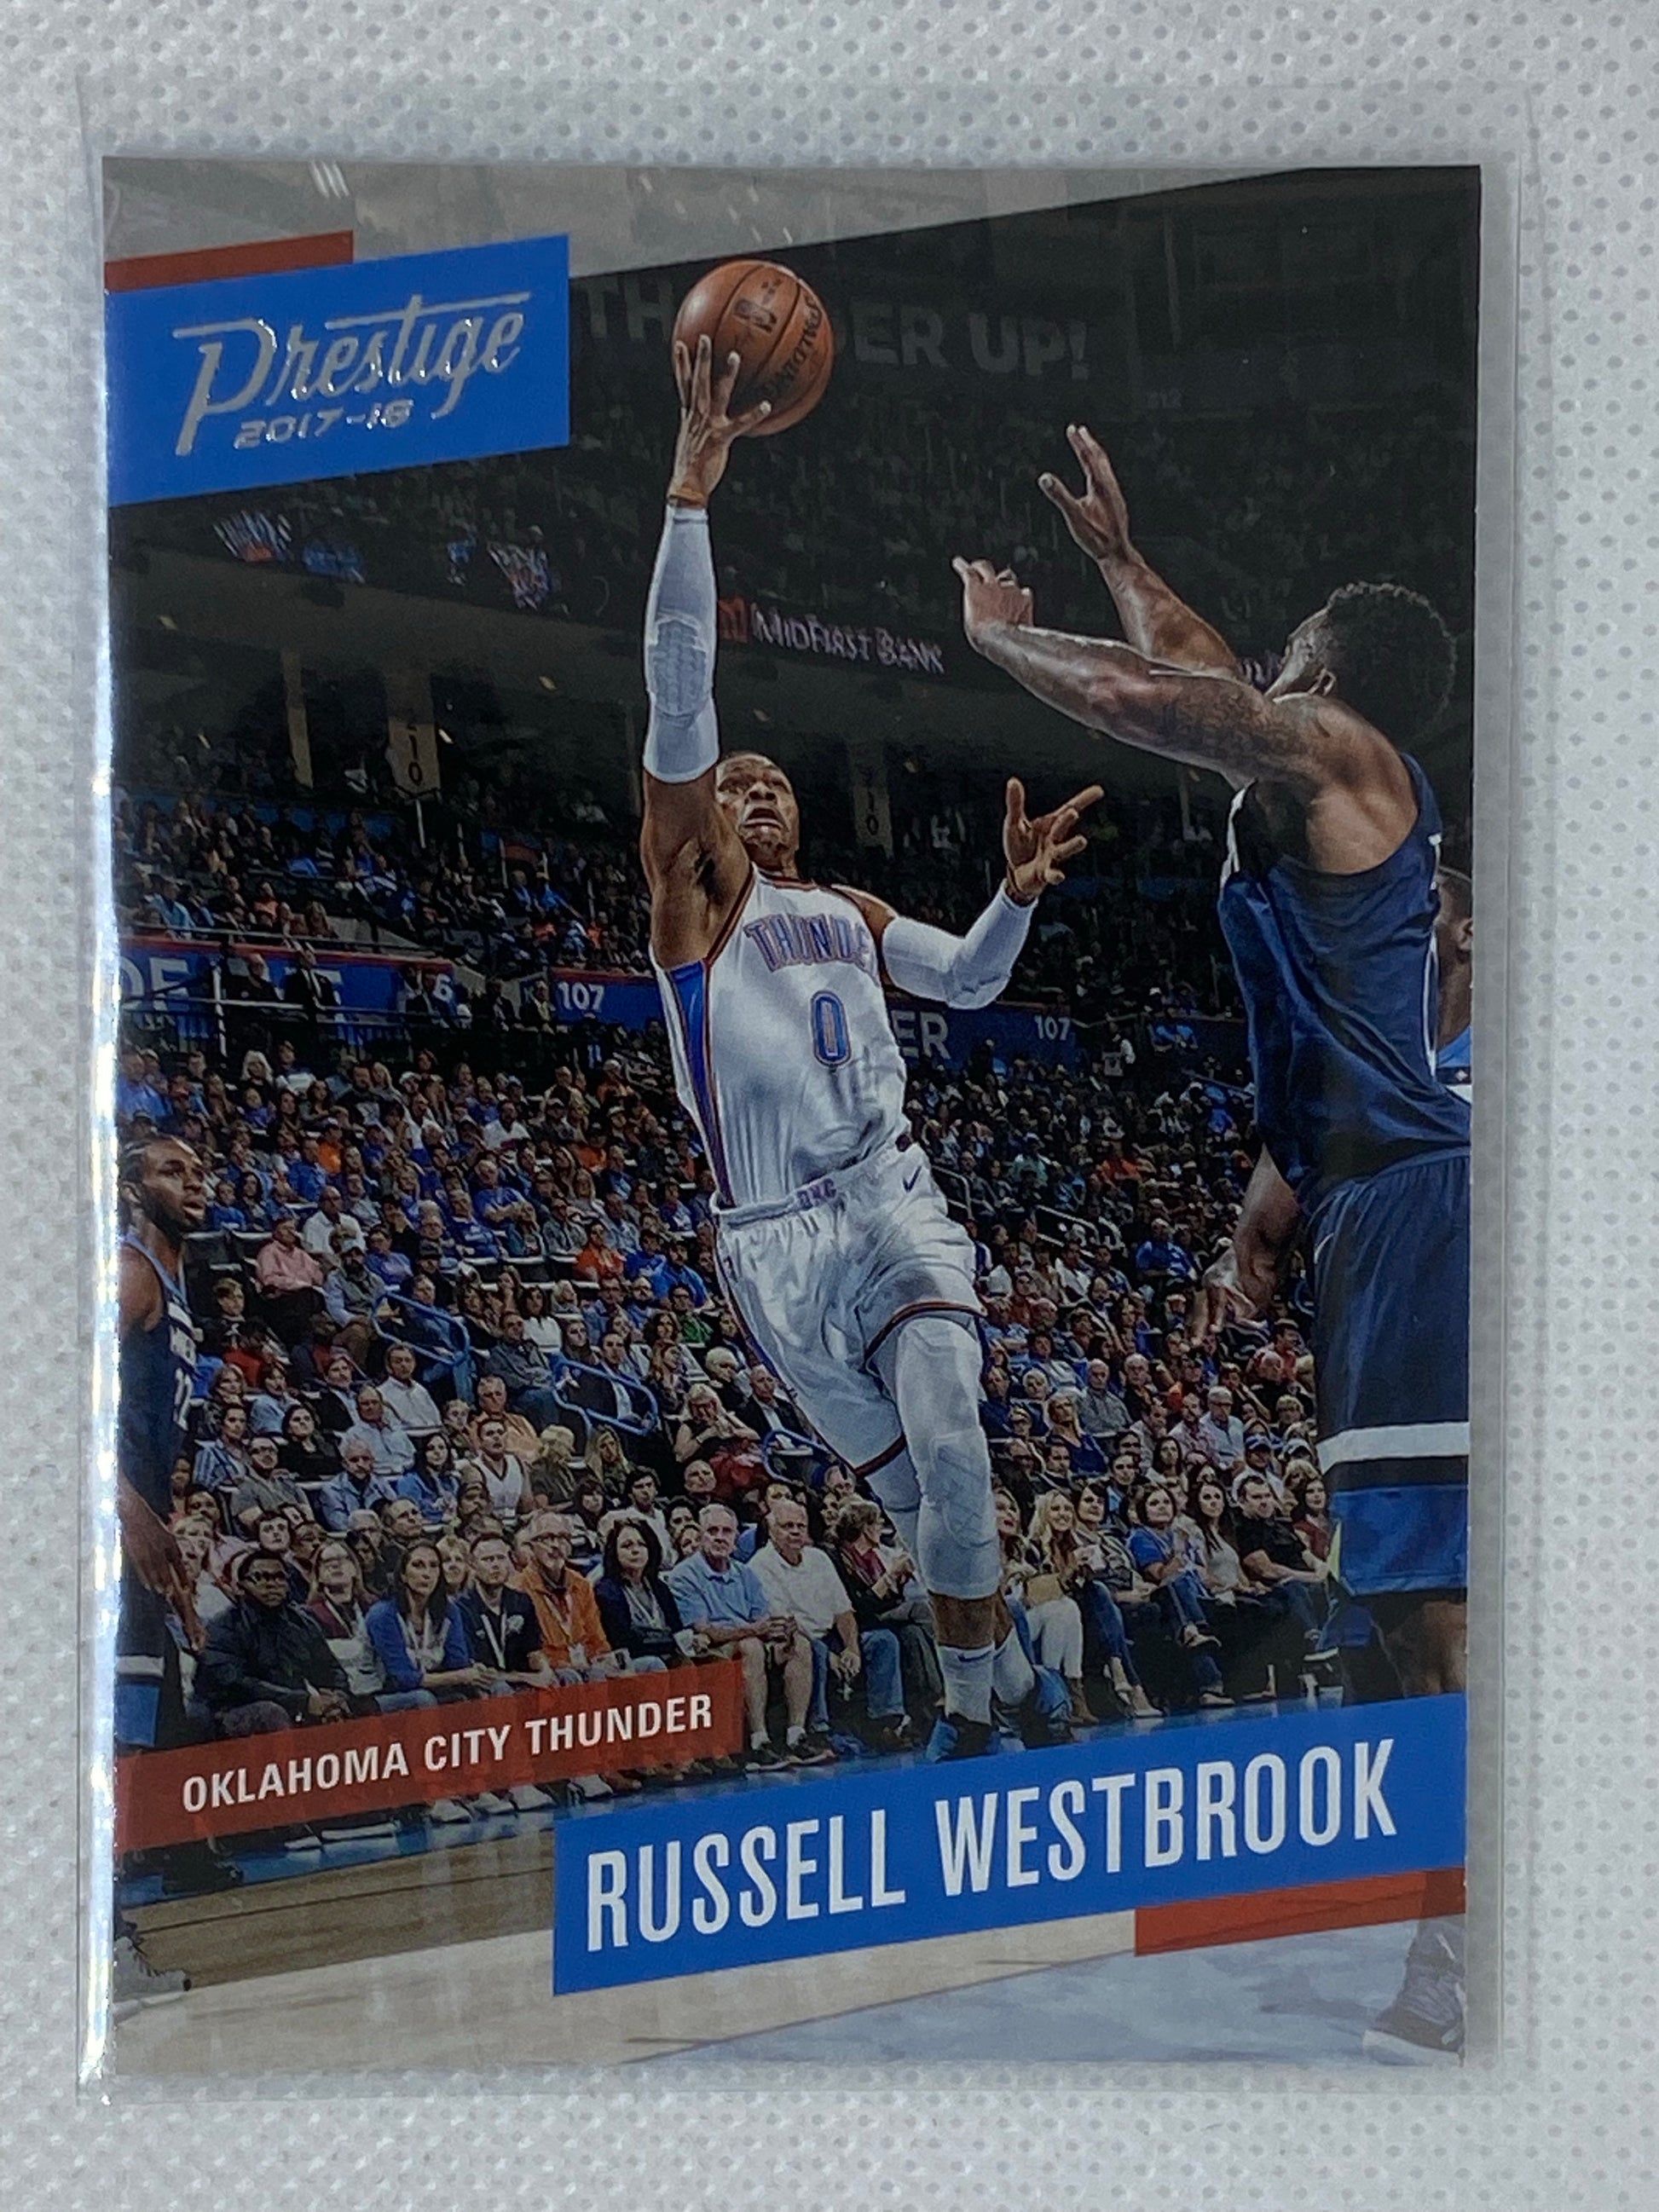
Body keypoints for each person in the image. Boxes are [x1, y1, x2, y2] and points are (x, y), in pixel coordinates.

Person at [960, 425, 1471, 2053]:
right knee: (1415, 1609)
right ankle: (1466, 1935)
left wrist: (1001, 639)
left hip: (1413, 1205)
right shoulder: (1323, 794)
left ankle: (1476, 1950)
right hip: (1363, 1198)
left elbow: (1156, 698)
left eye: (1282, 665)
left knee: (1439, 1618)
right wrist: (1123, 562)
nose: (1257, 677)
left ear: (1324, 671)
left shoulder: (1342, 754)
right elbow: (1198, 673)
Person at [635, 338, 1101, 1759]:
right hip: (767, 1247)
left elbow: (967, 979)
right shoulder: (695, 904)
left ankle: (966, 1725)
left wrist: (1011, 897)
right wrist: (690, 493)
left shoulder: (849, 910)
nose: (755, 794)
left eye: (774, 784)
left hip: (888, 1201)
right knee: (911, 1503)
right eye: (735, 785)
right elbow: (678, 691)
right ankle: (1011, 1678)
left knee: (953, 1444)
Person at [751, 1493, 905, 1757]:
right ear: (772, 1530)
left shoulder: (819, 1558)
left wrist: (851, 1648)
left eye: (800, 1526)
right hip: (794, 1640)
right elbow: (786, 1622)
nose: (795, 1532)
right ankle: (818, 1730)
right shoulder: (760, 1565)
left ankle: (885, 1722)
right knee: (816, 1651)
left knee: (883, 1641)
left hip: (831, 1634)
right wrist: (832, 1654)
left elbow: (844, 1611)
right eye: (788, 1526)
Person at [665, 1500, 811, 1771]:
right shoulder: (684, 1575)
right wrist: (753, 1630)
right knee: (751, 1646)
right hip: (711, 1649)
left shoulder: (745, 1573)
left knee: (799, 1644)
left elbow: (762, 1618)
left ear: (735, 1537)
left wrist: (781, 1629)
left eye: (727, 1532)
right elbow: (703, 1629)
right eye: (712, 1531)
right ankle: (758, 1741)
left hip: (750, 1639)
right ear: (701, 1536)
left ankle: (796, 1735)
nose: (720, 1538)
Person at [194, 1551, 352, 1735]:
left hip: (293, 1705)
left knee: (362, 1706)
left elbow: (330, 1669)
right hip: (229, 1712)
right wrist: (302, 1701)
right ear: (241, 1586)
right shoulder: (224, 1626)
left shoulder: (302, 1623)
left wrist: (336, 1698)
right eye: (260, 1577)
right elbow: (234, 1683)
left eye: (279, 1577)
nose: (271, 1584)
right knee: (271, 1713)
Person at [307, 1538, 439, 1715]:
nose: (336, 1565)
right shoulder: (310, 1616)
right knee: (422, 1699)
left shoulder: (375, 1606)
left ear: (355, 1568)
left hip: (379, 1688)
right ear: (318, 1575)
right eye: (328, 1562)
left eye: (343, 1559)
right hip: (342, 1695)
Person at [592, 1519, 691, 1671]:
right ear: (614, 1552)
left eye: (642, 1544)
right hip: (631, 1662)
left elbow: (677, 1629)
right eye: (627, 1545)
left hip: (668, 1655)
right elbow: (624, 1640)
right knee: (654, 1664)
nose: (635, 1550)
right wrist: (670, 1641)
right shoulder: (606, 1591)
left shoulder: (660, 1587)